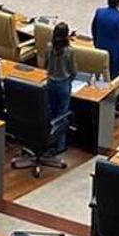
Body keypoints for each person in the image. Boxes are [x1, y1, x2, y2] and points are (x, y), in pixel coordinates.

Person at [45, 22, 76, 153]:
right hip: (63, 85)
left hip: (50, 83)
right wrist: (70, 79)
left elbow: (45, 65)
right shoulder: (70, 51)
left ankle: (50, 142)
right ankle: (60, 146)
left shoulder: (49, 47)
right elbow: (74, 71)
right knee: (62, 115)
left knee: (52, 113)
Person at [90, 0, 119, 79]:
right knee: (113, 78)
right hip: (115, 55)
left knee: (100, 76)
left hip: (100, 49)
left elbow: (93, 28)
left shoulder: (99, 12)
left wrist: (95, 42)